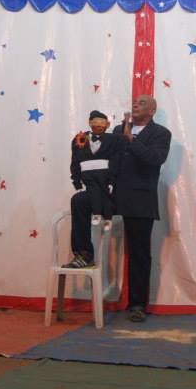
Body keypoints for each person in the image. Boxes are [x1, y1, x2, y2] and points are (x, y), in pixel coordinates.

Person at [112, 94, 171, 322]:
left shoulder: (161, 133)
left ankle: (137, 304)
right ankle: (97, 290)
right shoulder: (118, 130)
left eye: (142, 103)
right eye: (135, 102)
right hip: (114, 198)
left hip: (140, 200)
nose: (136, 104)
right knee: (81, 206)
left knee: (138, 254)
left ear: (152, 111)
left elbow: (154, 159)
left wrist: (131, 140)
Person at [65, 110, 120, 269]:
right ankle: (83, 254)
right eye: (95, 122)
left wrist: (112, 182)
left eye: (102, 123)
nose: (99, 126)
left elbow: (118, 162)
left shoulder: (115, 140)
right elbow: (75, 164)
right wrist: (77, 185)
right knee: (78, 200)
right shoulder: (79, 139)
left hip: (111, 189)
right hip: (90, 186)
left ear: (107, 125)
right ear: (90, 123)